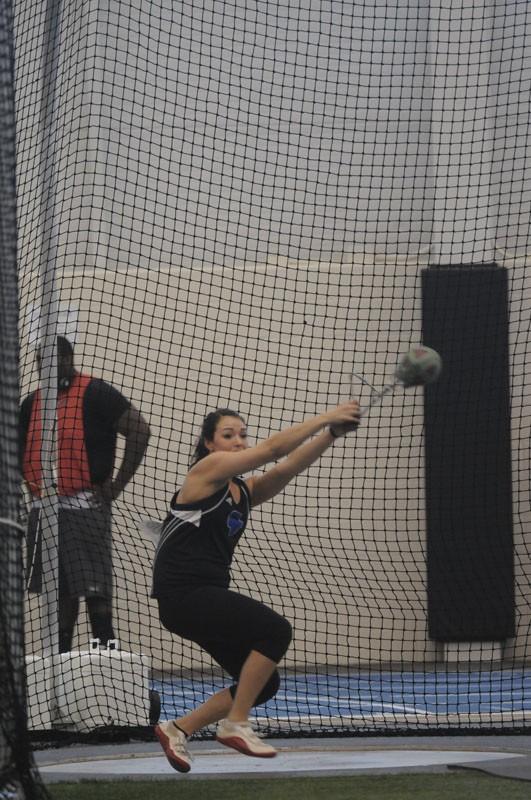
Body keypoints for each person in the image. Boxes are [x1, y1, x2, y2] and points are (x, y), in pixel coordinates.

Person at [152, 400, 360, 772]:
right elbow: (274, 449)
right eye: (228, 435)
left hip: (201, 598)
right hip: (184, 595)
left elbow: (287, 467)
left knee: (263, 684)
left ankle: (177, 728)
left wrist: (330, 434)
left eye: (243, 435)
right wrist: (327, 415)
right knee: (275, 631)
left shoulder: (242, 493)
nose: (238, 441)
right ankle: (235, 724)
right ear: (208, 444)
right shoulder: (206, 471)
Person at [20, 336, 151, 653]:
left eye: (53, 362)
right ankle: (61, 658)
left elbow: (139, 429)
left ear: (69, 359)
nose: (46, 370)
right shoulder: (31, 404)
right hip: (45, 508)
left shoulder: (95, 392)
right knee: (60, 588)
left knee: (94, 587)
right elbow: (16, 451)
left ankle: (105, 651)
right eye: (40, 364)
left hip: (85, 505)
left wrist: (116, 485)